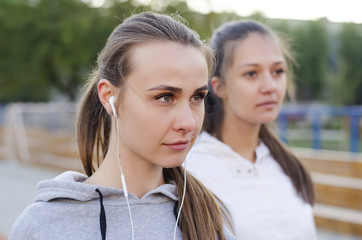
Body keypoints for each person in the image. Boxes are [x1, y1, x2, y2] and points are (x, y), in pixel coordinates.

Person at [9, 12, 235, 240]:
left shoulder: (211, 219)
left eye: (198, 97)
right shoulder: (43, 227)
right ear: (109, 97)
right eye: (165, 97)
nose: (188, 122)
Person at [186, 20, 317, 240]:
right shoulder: (193, 171)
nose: (270, 87)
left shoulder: (287, 167)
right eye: (251, 74)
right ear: (219, 87)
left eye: (277, 71)